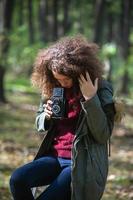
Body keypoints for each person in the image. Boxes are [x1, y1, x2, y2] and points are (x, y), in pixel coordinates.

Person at [9, 35, 115, 200]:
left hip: (81, 163)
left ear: (78, 71)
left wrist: (91, 99)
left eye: (66, 79)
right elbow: (39, 122)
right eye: (57, 79)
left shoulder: (101, 89)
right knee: (18, 179)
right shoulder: (53, 87)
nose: (62, 83)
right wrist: (47, 116)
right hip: (53, 157)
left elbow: (102, 134)